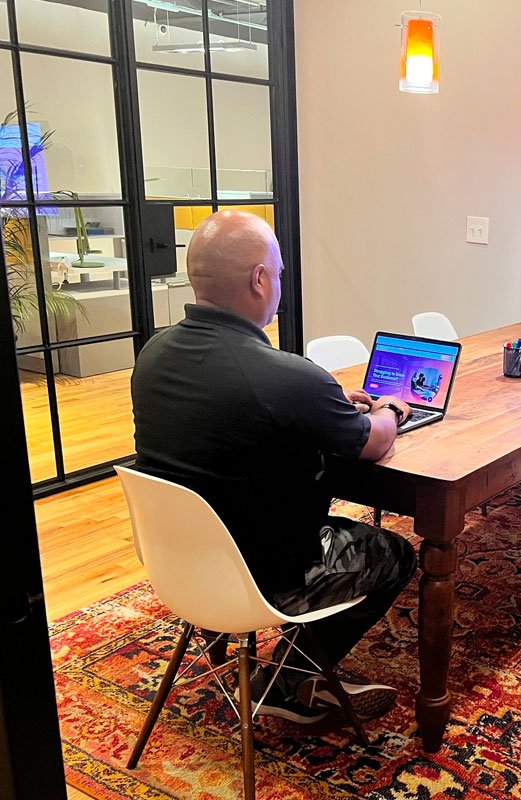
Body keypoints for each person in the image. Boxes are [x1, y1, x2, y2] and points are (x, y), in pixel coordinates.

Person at [130, 210, 417, 725]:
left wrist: (326, 404)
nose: (279, 282)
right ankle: (287, 683)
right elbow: (373, 445)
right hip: (268, 576)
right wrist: (389, 409)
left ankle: (281, 668)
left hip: (180, 561)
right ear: (259, 279)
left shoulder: (153, 354)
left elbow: (239, 420)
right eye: (279, 272)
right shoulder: (286, 377)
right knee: (396, 552)